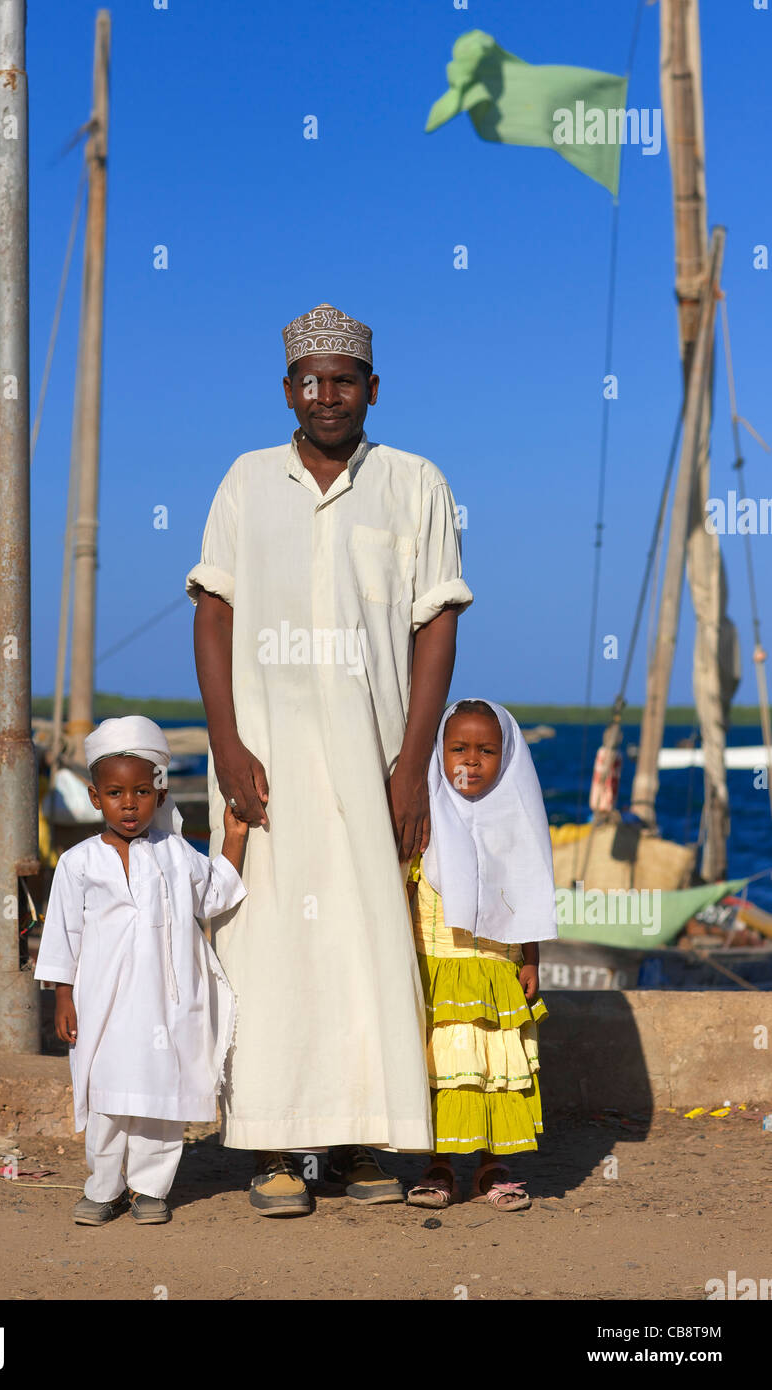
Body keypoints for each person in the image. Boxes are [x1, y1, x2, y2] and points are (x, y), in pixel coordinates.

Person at [186, 302, 473, 1215]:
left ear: (372, 389)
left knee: (363, 945)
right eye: (310, 380)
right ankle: (272, 1150)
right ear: (287, 391)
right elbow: (213, 612)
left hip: (371, 760)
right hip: (262, 764)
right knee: (264, 947)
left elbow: (437, 622)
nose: (327, 395)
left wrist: (410, 761)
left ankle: (356, 1145)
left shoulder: (414, 483)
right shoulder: (244, 480)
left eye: (344, 379)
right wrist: (227, 745)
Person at [34, 716, 248, 1226]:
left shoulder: (175, 854)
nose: (129, 804)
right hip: (102, 1006)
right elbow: (62, 934)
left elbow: (213, 894)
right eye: (115, 793)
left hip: (165, 1005)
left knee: (159, 1102)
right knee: (107, 1100)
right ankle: (104, 1188)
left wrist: (235, 836)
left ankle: (151, 1189)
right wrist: (63, 996)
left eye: (141, 792)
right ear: (94, 798)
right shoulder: (78, 863)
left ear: (160, 794)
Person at [405, 699, 557, 1211]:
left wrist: (530, 958)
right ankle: (439, 1166)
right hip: (438, 976)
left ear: (507, 757)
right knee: (445, 1070)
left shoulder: (517, 823)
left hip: (497, 977)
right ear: (438, 753)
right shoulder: (424, 820)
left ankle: (494, 1166)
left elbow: (530, 897)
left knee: (497, 1070)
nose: (470, 761)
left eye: (486, 751)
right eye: (458, 749)